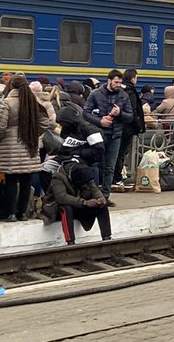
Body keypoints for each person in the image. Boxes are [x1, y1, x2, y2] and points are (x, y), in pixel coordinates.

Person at [0, 75, 55, 221]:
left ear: (11, 86)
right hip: (29, 145)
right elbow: (45, 122)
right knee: (26, 180)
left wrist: (0, 138)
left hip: (9, 147)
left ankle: (10, 213)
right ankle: (23, 213)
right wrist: (34, 134)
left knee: (10, 180)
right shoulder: (33, 102)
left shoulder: (7, 103)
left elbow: (1, 126)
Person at [83, 70, 133, 198]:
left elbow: (130, 116)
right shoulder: (96, 94)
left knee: (110, 167)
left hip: (115, 135)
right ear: (109, 81)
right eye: (116, 82)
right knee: (95, 165)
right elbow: (86, 113)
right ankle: (93, 195)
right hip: (98, 135)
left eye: (120, 83)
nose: (118, 85)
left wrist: (119, 113)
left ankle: (105, 196)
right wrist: (100, 121)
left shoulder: (123, 95)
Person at [42, 163, 111, 245]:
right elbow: (62, 198)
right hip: (55, 207)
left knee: (102, 207)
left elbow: (94, 189)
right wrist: (84, 202)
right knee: (66, 208)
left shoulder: (84, 175)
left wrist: (100, 198)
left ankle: (107, 238)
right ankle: (70, 241)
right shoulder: (58, 177)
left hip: (77, 204)